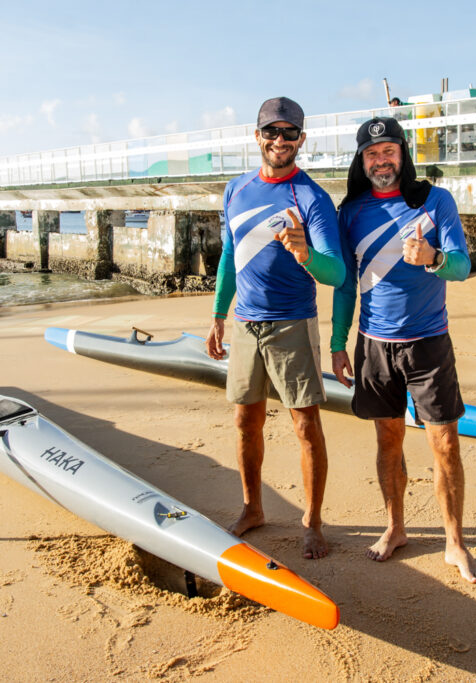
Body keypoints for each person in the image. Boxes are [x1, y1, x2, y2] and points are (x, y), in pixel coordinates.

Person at [330, 116, 476, 583]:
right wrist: (339, 343)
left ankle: (455, 543)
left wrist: (434, 259)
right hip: (375, 345)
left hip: (428, 344)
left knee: (445, 445)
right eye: (372, 154)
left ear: (403, 154)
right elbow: (343, 286)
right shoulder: (351, 211)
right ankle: (395, 527)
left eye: (389, 151)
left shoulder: (434, 201)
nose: (382, 160)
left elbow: (461, 267)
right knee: (387, 442)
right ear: (363, 162)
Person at [206, 96, 345, 560]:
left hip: (292, 323)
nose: (280, 141)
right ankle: (252, 508)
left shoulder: (311, 198)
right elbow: (229, 256)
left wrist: (306, 253)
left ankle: (312, 521)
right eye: (272, 132)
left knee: (305, 425)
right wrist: (217, 316)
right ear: (257, 136)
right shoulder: (235, 190)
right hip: (245, 323)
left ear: (302, 140)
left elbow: (336, 274)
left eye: (289, 133)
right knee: (246, 420)